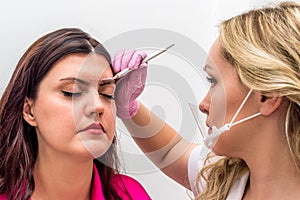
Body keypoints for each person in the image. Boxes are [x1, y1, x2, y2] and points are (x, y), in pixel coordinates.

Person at [112, 1, 300, 199]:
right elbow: (171, 152)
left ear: (267, 95)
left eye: (214, 81)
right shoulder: (224, 180)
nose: (203, 104)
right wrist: (128, 107)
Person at [0, 28, 151, 200]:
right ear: (29, 111)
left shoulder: (129, 193)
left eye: (107, 94)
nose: (97, 106)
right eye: (72, 92)